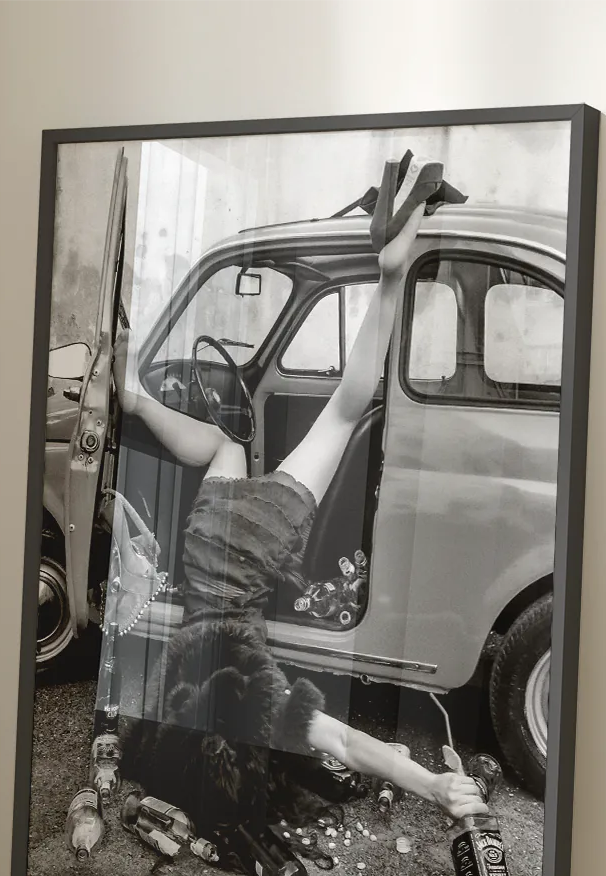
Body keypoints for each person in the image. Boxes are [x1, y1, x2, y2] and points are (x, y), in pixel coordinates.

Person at [110, 154, 489, 839]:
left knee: (343, 413)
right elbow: (136, 741)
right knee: (226, 445)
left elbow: (342, 742)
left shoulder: (262, 705)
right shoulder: (167, 711)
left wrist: (433, 784)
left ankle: (392, 271)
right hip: (205, 548)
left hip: (254, 552)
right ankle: (135, 398)